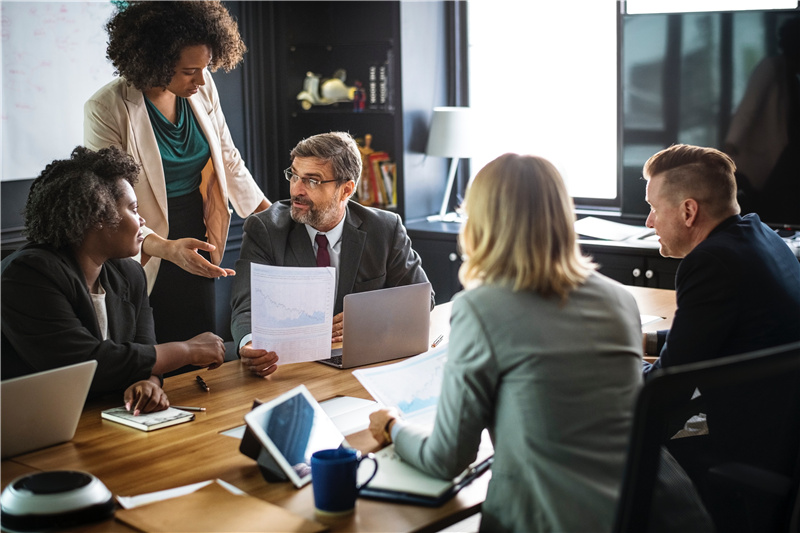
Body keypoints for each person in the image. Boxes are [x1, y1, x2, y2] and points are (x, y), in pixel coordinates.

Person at [368, 153, 710, 532]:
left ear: (480, 223)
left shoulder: (480, 308)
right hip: (654, 511)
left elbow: (446, 458)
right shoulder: (619, 299)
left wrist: (392, 427)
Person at [84, 1, 270, 348]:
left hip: (196, 228)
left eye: (206, 67)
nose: (201, 80)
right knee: (153, 343)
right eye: (189, 71)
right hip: (140, 238)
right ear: (155, 61)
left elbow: (229, 160)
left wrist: (273, 218)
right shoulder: (106, 108)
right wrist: (166, 248)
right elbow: (107, 202)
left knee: (199, 340)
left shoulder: (202, 85)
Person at [1, 146, 226, 414]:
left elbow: (144, 351)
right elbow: (87, 364)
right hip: (35, 423)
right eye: (133, 209)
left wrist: (148, 382)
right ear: (98, 217)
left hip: (104, 418)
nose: (142, 221)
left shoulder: (129, 274)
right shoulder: (28, 275)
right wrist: (187, 350)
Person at [640, 143, 800, 506]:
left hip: (736, 439)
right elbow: (717, 336)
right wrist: (645, 340)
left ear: (688, 211)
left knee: (603, 428)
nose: (649, 222)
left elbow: (670, 387)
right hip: (775, 425)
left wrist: (614, 376)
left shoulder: (712, 261)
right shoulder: (761, 236)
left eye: (652, 208)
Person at [230, 132, 433, 378]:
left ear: (346, 190)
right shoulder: (265, 229)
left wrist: (365, 319)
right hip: (291, 369)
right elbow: (246, 304)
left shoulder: (384, 229)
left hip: (362, 366)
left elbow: (421, 299)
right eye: (294, 175)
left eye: (312, 180)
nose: (297, 189)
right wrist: (250, 344)